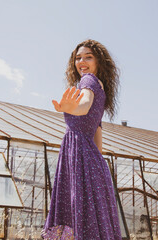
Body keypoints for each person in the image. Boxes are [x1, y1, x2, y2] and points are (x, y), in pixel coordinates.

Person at [42, 39, 122, 240]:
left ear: (98, 61)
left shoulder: (88, 81)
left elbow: (84, 105)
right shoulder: (101, 89)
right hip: (91, 159)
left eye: (88, 57)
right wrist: (98, 166)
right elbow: (98, 131)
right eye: (78, 58)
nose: (82, 62)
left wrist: (71, 108)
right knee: (89, 215)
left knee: (76, 211)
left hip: (78, 152)